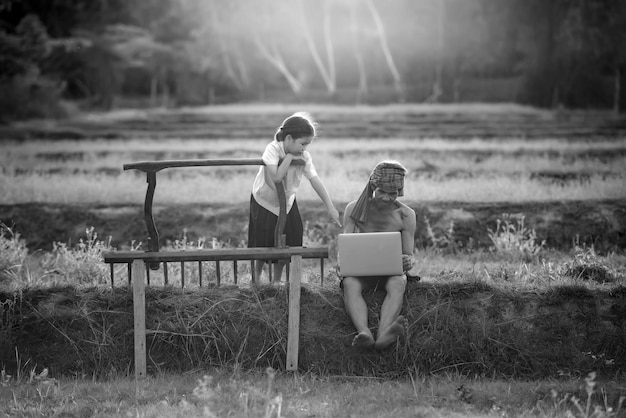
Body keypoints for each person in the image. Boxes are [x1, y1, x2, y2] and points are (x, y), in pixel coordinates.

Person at [248, 112, 341, 282]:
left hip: (288, 201)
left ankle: (276, 281)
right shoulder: (273, 149)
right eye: (303, 144)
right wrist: (289, 158)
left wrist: (330, 206)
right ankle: (256, 278)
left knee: (289, 239)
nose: (304, 149)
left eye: (307, 145)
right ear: (289, 138)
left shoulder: (304, 156)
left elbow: (315, 180)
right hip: (265, 200)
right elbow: (275, 178)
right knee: (262, 241)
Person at [340, 160, 416, 350]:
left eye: (393, 193)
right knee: (350, 283)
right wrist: (342, 262)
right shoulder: (354, 209)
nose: (386, 198)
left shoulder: (406, 215)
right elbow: (346, 245)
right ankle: (364, 332)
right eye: (382, 192)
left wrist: (409, 261)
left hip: (390, 273)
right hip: (361, 273)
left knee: (398, 282)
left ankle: (383, 334)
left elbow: (409, 254)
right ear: (373, 187)